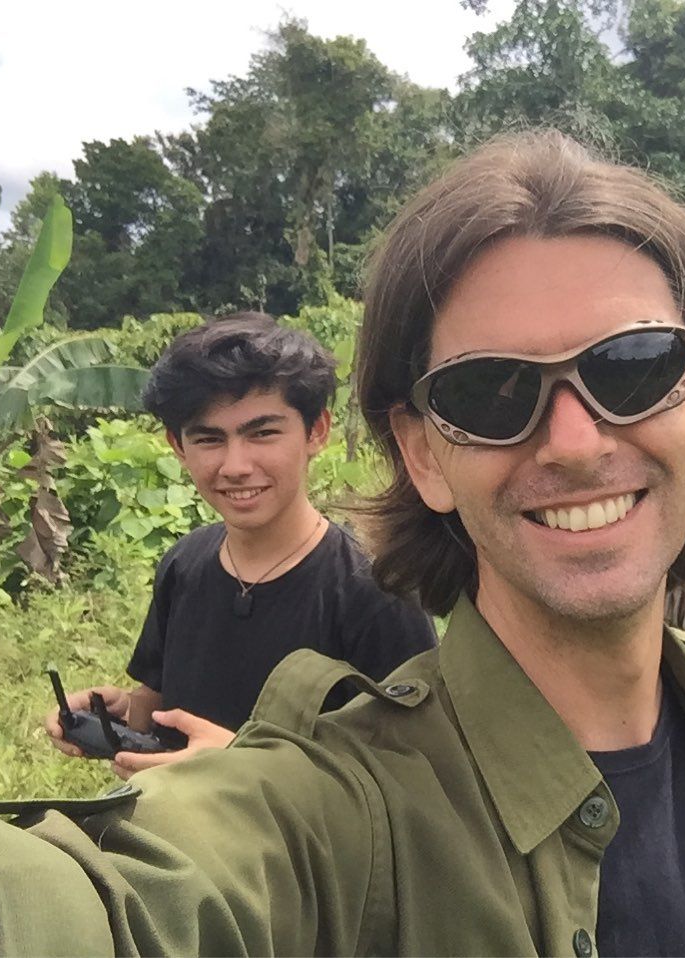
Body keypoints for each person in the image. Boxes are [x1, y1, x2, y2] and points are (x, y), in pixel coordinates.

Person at [0, 133, 685, 957]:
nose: (575, 443)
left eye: (633, 365)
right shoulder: (340, 807)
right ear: (423, 453)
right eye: (489, 391)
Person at [43, 313, 436, 777]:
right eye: (209, 439)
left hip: (298, 848)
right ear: (177, 446)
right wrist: (117, 717)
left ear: (317, 432)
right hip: (173, 834)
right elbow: (159, 710)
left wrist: (238, 767)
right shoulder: (184, 565)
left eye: (262, 433)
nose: (235, 465)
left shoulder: (375, 590)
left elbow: (412, 774)